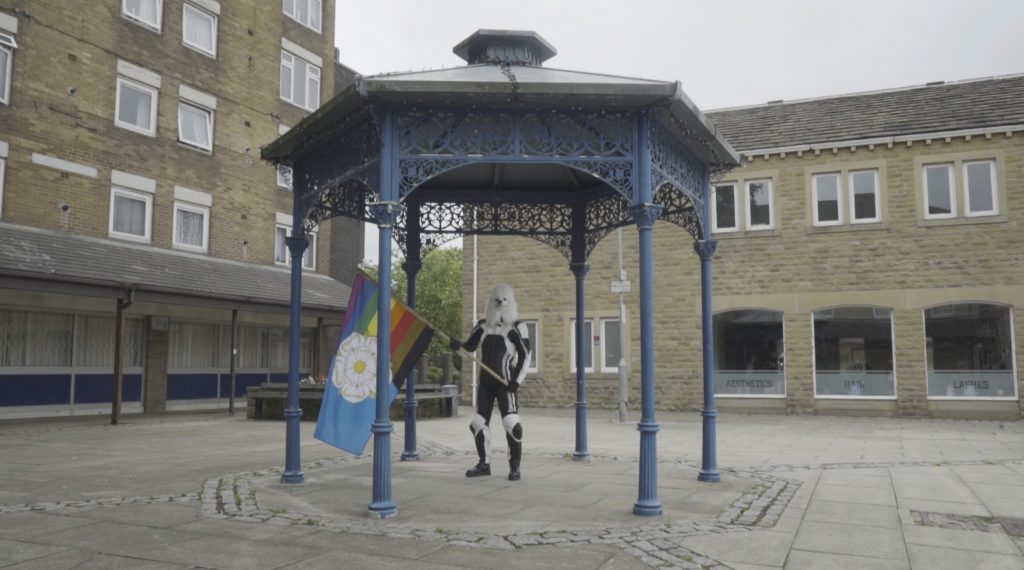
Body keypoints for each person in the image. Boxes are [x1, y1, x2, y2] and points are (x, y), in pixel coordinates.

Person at [450, 284, 532, 481]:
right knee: (478, 423)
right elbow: (470, 346)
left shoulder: (517, 328)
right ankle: (484, 463)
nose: (501, 305)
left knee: (512, 424)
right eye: (497, 301)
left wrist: (517, 381)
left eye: (505, 301)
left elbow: (526, 355)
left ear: (510, 302)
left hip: (505, 381)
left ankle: (514, 467)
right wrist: (458, 344)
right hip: (485, 381)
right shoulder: (482, 325)